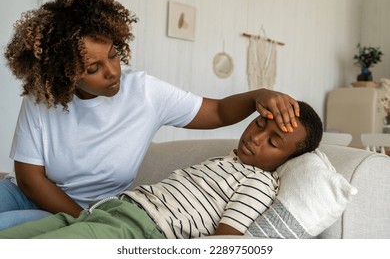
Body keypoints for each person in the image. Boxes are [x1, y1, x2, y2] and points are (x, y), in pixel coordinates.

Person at [0, 0, 301, 230]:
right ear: (64, 73)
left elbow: (219, 112)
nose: (113, 71)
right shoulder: (43, 98)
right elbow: (30, 179)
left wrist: (258, 96)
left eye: (113, 54)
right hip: (23, 194)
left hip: (79, 212)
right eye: (94, 68)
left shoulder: (145, 93)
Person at [0, 101, 323, 239]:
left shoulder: (258, 183)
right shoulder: (223, 162)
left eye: (274, 141)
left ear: (287, 158)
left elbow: (226, 241)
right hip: (103, 212)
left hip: (137, 230)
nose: (255, 137)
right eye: (258, 124)